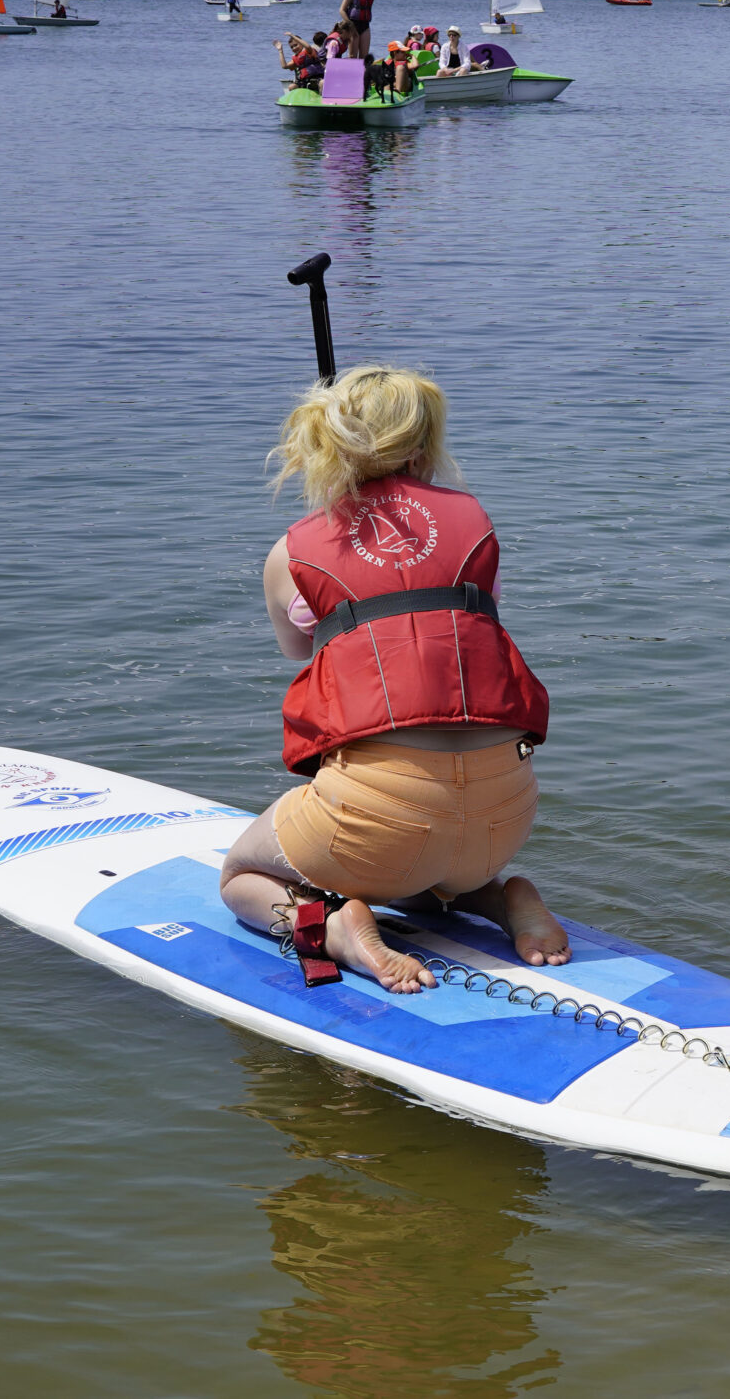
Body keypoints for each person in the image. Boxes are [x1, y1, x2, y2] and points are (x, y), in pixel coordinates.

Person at [219, 366, 567, 992]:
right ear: (423, 443)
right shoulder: (476, 528)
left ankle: (328, 930)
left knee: (243, 876)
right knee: (425, 870)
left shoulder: (292, 551)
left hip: (377, 819)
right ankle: (500, 898)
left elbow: (300, 650)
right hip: (502, 817)